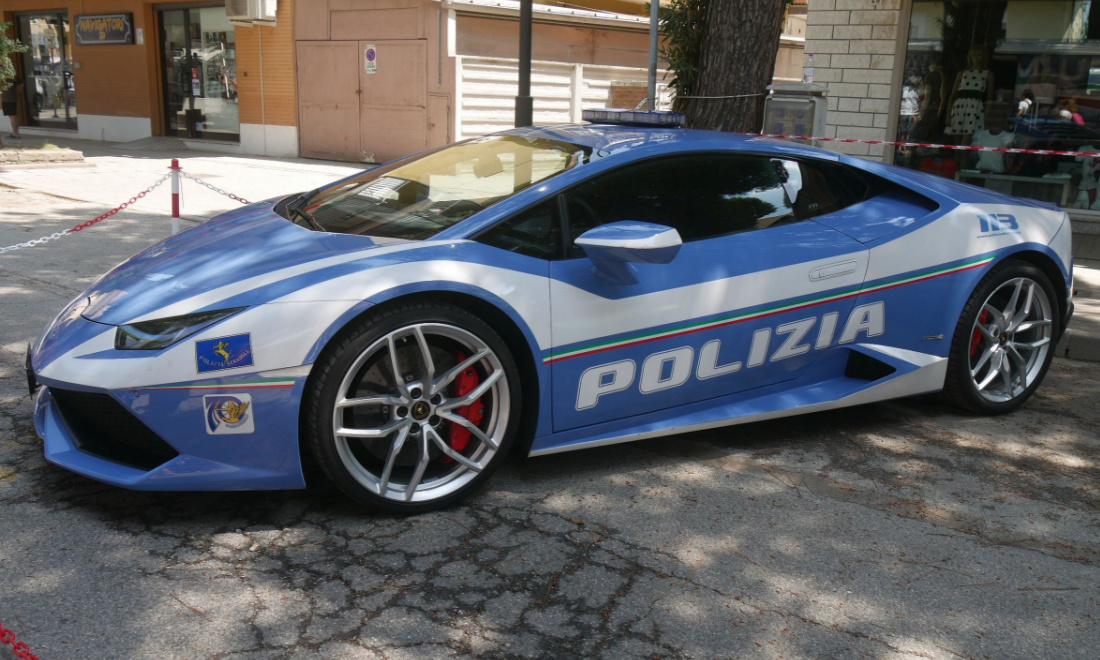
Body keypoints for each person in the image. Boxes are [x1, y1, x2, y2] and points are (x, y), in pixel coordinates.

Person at [946, 46, 995, 145]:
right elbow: (953, 95)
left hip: (974, 110)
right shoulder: (962, 73)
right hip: (959, 108)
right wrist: (948, 115)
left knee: (964, 148)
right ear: (970, 57)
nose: (976, 57)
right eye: (974, 55)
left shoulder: (988, 75)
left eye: (979, 55)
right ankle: (957, 160)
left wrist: (984, 116)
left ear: (984, 57)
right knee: (957, 147)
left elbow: (990, 99)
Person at [1, 75, 23, 141]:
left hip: (6, 98)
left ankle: (15, 134)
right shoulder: (14, 75)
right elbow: (21, 84)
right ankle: (16, 133)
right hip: (13, 97)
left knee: (12, 115)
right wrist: (18, 92)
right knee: (14, 115)